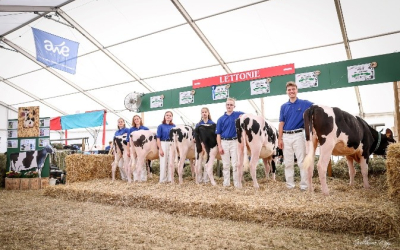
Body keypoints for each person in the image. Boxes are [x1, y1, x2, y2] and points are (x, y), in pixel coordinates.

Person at [278, 81, 313, 191]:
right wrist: (280, 138)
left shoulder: (305, 103)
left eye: (293, 89)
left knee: (302, 161)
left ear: (297, 90)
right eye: (289, 90)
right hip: (286, 136)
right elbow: (281, 123)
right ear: (286, 92)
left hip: (298, 135)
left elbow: (316, 107)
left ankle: (304, 186)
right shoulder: (283, 106)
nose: (291, 91)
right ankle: (290, 186)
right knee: (288, 162)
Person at [216, 98, 244, 187]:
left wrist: (242, 117)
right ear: (225, 106)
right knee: (225, 164)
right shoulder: (220, 119)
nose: (229, 106)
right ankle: (226, 183)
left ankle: (237, 184)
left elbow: (248, 116)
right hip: (224, 142)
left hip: (235, 141)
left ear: (234, 106)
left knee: (235, 164)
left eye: (231, 105)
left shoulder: (238, 114)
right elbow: (218, 134)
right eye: (228, 104)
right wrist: (219, 146)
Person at [195, 107, 215, 183]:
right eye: (202, 112)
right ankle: (199, 179)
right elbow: (195, 136)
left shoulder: (212, 124)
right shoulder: (198, 125)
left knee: (207, 161)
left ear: (208, 113)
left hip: (209, 146)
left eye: (205, 112)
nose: (204, 113)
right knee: (199, 162)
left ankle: (206, 179)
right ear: (201, 114)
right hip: (199, 145)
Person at [126, 115, 149, 181]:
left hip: (143, 149)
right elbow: (128, 141)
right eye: (135, 119)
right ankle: (136, 178)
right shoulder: (131, 129)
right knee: (134, 162)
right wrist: (128, 151)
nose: (136, 120)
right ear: (133, 121)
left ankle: (143, 178)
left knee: (142, 162)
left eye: (137, 119)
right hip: (133, 148)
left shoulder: (145, 128)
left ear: (140, 119)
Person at [156, 111, 176, 183]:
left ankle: (170, 179)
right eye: (167, 115)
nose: (168, 116)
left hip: (171, 143)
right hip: (163, 143)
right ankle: (163, 179)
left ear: (172, 117)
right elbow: (158, 138)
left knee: (171, 161)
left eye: (170, 115)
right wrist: (160, 149)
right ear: (164, 116)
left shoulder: (174, 126)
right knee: (163, 161)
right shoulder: (160, 126)